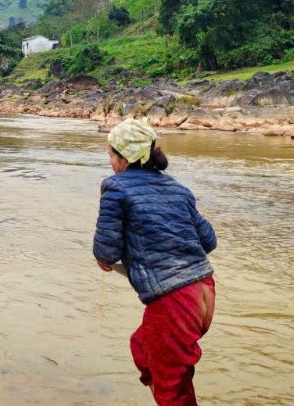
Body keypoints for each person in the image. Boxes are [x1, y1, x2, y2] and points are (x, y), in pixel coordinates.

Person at [93, 118, 217, 406]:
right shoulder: (178, 189)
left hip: (174, 301)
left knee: (170, 387)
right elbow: (208, 241)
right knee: (143, 349)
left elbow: (106, 251)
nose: (110, 162)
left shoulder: (116, 187)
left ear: (122, 157)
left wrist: (106, 259)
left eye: (111, 155)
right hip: (204, 292)